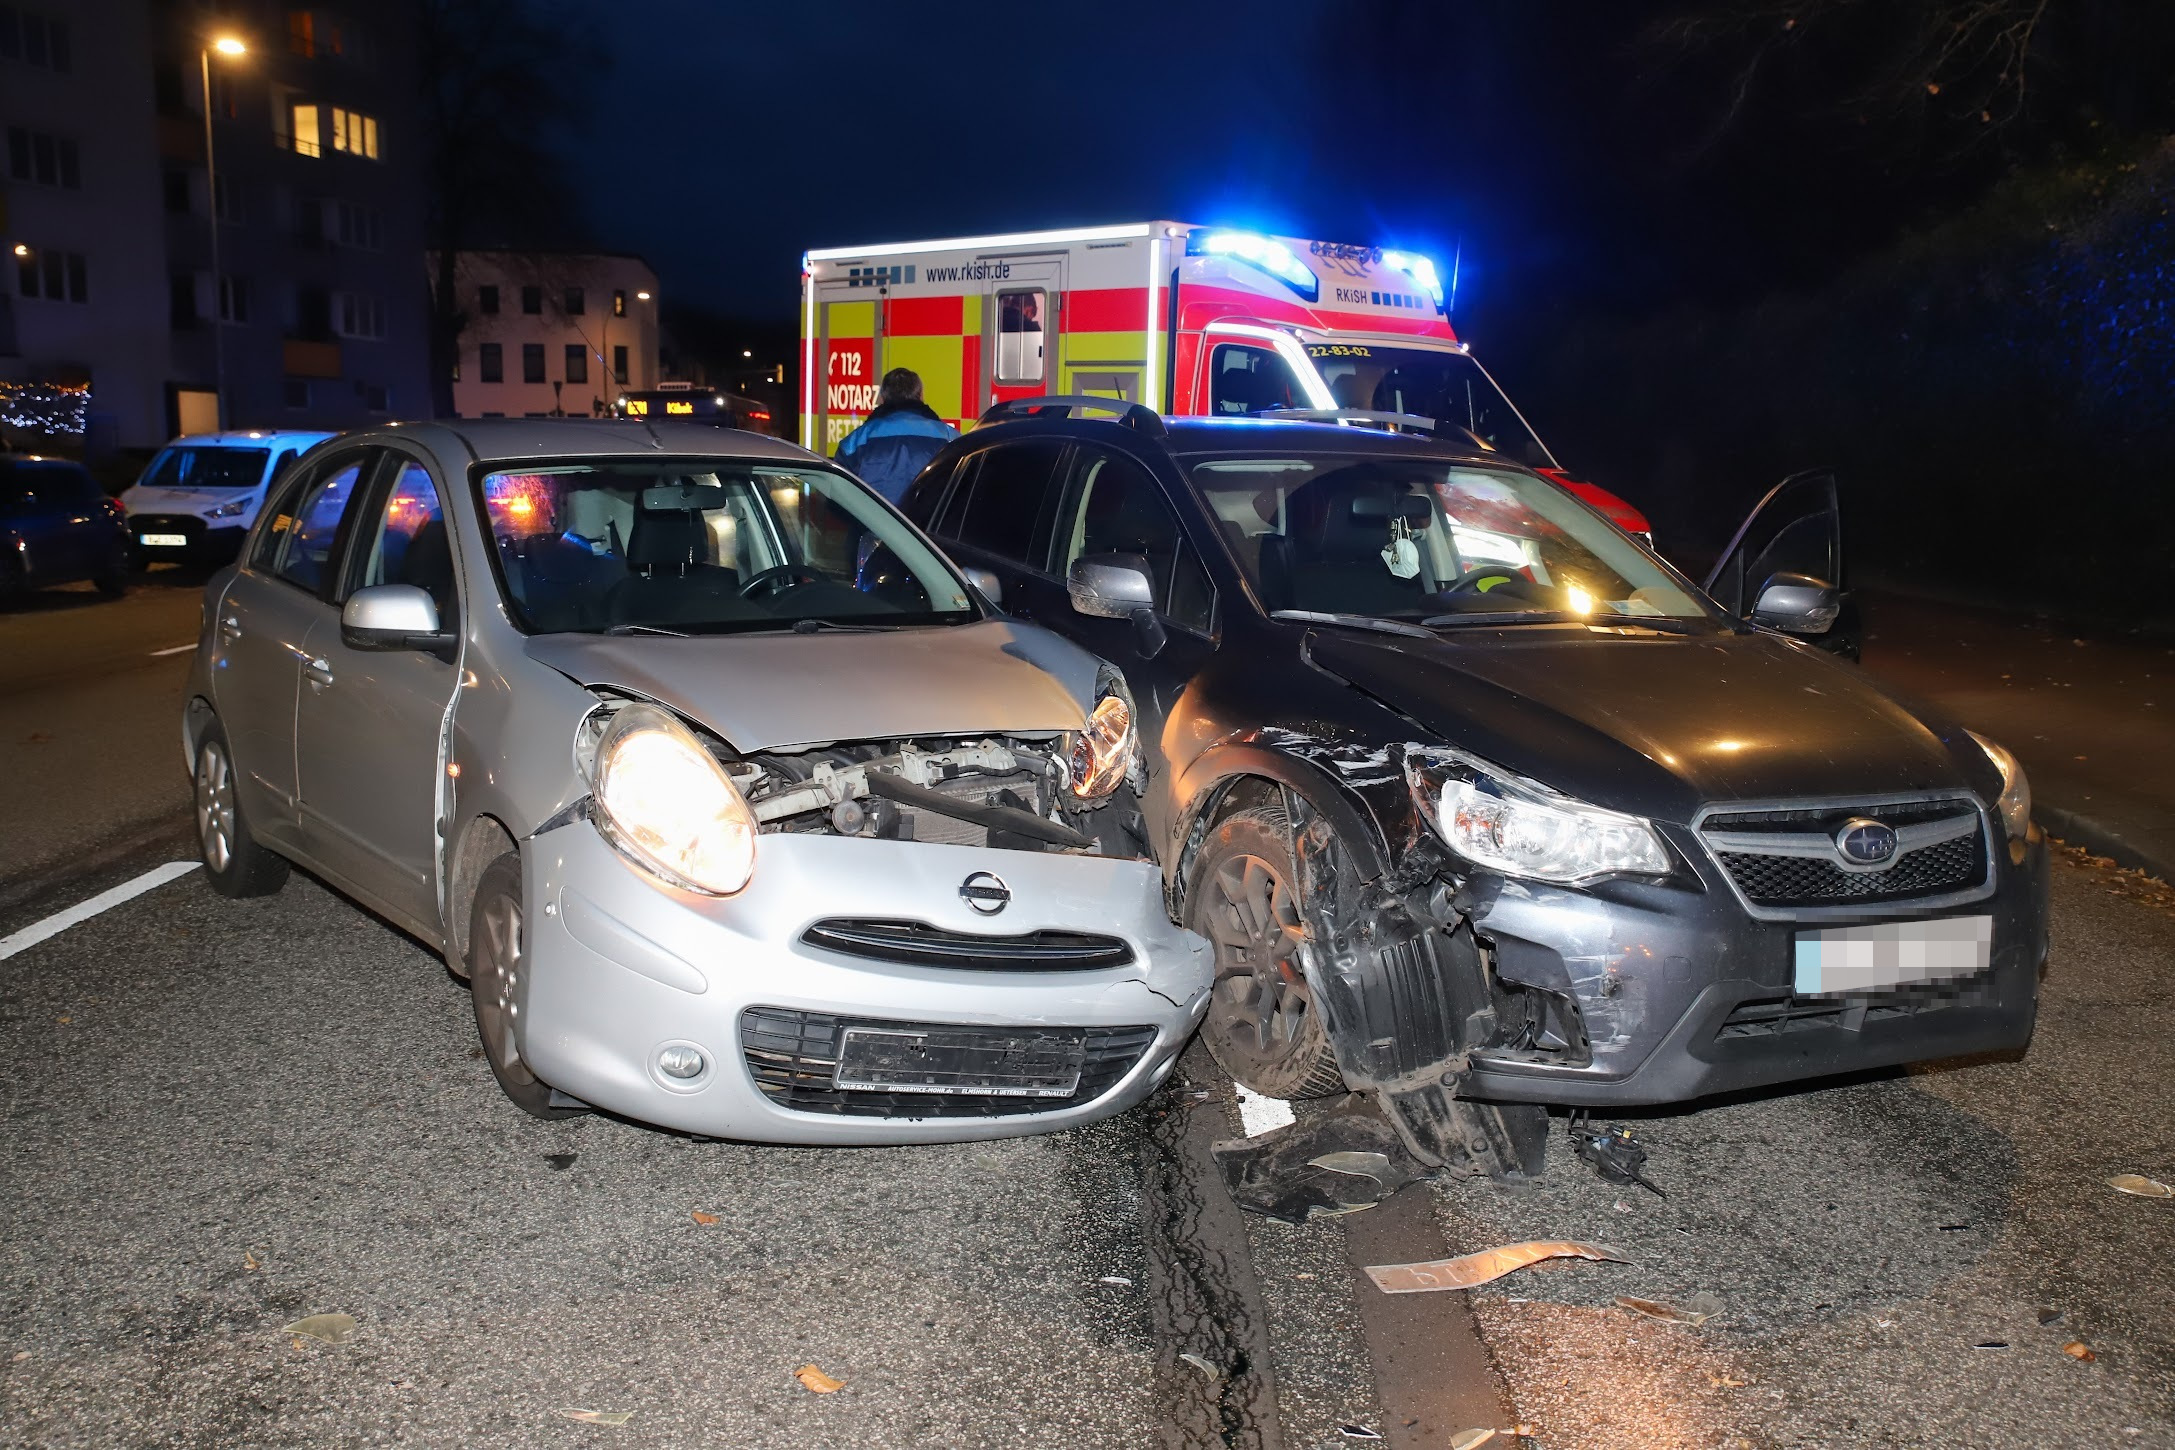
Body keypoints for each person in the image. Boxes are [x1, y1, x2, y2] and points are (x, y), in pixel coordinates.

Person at [833, 368, 957, 504]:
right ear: (921, 395)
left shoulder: (855, 442)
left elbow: (837, 498)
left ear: (882, 398)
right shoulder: (950, 438)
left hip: (873, 524)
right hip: (928, 525)